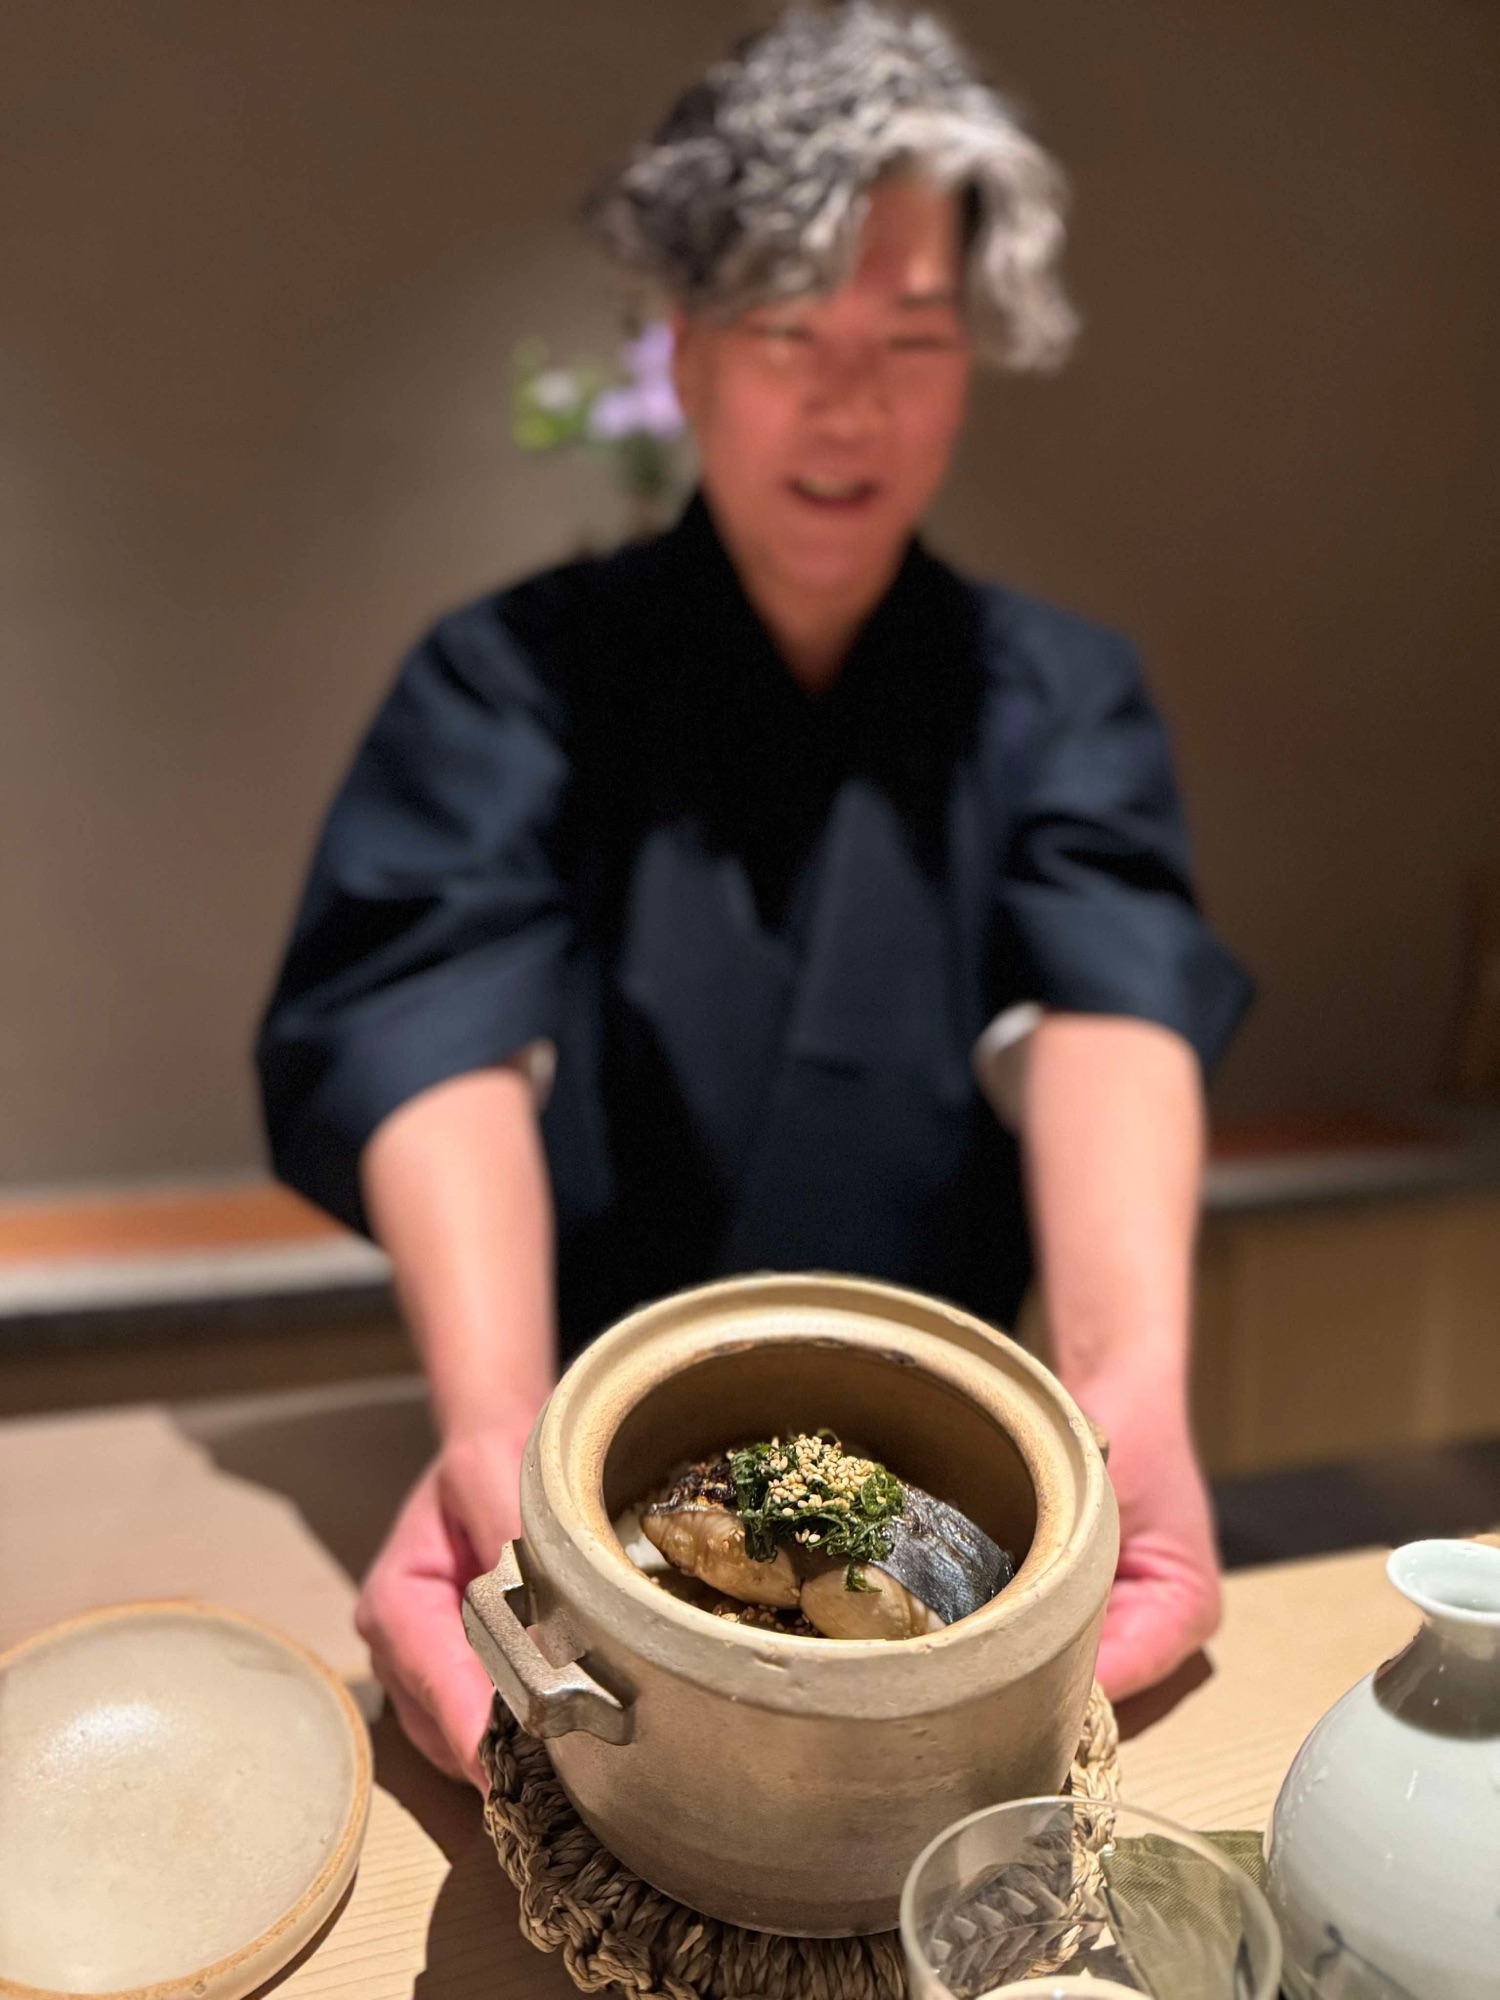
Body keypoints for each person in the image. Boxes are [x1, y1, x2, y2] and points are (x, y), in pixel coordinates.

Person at [257, 2, 1252, 1788]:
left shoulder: (1060, 694)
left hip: (942, 1507)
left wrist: (1125, 1399)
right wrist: (497, 1437)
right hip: (585, 1486)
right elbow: (428, 1008)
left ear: (974, 357)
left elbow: (1108, 994)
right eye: (789, 331)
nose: (850, 402)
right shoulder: (509, 681)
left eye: (914, 339)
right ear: (686, 348)